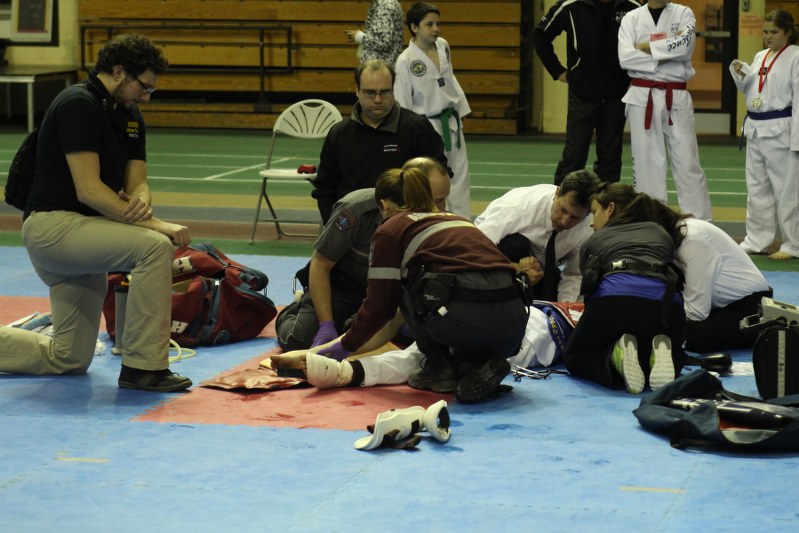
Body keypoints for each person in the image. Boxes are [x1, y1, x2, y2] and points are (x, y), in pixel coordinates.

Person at [0, 34, 192, 392]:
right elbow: (88, 190)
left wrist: (142, 200)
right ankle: (142, 367)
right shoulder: (78, 103)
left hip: (84, 235)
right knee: (154, 247)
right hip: (52, 229)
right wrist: (157, 224)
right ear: (119, 72)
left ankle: (135, 364)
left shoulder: (130, 116)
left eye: (152, 90)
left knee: (69, 358)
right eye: (143, 87)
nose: (146, 97)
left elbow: (138, 181)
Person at [299, 166, 529, 403]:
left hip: (465, 316)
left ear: (384, 206)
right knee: (449, 300)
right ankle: (472, 366)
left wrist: (344, 347)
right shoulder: (456, 219)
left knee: (410, 289)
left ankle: (439, 368)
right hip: (514, 325)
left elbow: (381, 307)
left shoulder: (391, 227)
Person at [275, 157, 451, 351]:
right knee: (299, 340)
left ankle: (351, 326)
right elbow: (320, 264)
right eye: (435, 200)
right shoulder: (355, 210)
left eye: (443, 200)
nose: (439, 209)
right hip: (342, 290)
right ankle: (296, 311)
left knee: (430, 342)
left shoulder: (435, 219)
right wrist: (326, 324)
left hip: (389, 294)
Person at [564, 183, 686, 394]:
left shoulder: (594, 240)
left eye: (594, 212)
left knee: (575, 357)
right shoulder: (661, 233)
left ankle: (614, 357)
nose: (592, 222)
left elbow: (590, 291)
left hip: (617, 302)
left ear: (610, 208)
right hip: (667, 309)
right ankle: (665, 355)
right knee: (674, 350)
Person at [311, 59, 449, 224]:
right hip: (350, 227)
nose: (378, 99)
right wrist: (337, 225)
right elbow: (325, 188)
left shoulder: (417, 129)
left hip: (404, 228)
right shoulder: (339, 134)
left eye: (385, 92)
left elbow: (439, 179)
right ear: (357, 91)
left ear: (393, 90)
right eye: (370, 92)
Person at [617, 0, 713, 222]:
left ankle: (699, 221)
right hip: (642, 96)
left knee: (687, 159)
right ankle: (652, 220)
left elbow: (685, 46)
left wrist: (646, 47)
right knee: (646, 162)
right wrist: (667, 55)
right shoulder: (631, 18)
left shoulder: (684, 13)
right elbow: (625, 57)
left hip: (675, 94)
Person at [532, 0, 640, 185]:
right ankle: (559, 204)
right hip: (583, 95)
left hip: (616, 95)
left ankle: (606, 208)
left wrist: (636, 77)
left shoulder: (632, 7)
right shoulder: (571, 5)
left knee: (611, 157)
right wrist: (557, 71)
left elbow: (645, 44)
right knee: (574, 156)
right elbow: (540, 34)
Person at [730, 10, 799, 260]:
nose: (768, 37)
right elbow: (753, 89)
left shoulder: (796, 57)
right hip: (756, 128)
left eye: (774, 32)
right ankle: (757, 239)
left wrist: (798, 139)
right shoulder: (760, 56)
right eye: (765, 32)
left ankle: (793, 243)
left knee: (786, 191)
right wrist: (741, 75)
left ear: (788, 33)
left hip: (782, 128)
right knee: (757, 188)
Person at [394, 2, 472, 218]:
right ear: (414, 27)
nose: (436, 28)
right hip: (426, 126)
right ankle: (434, 224)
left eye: (437, 23)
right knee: (432, 181)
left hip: (452, 122)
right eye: (429, 24)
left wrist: (462, 109)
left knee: (460, 177)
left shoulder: (443, 46)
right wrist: (407, 134)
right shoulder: (405, 61)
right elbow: (402, 101)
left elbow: (449, 79)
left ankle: (463, 224)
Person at [473, 169, 601, 301]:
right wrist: (514, 268)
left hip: (544, 271)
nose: (565, 221)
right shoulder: (519, 206)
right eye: (563, 210)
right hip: (496, 260)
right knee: (515, 244)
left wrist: (565, 307)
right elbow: (475, 247)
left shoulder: (589, 224)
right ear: (557, 192)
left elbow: (573, 274)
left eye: (574, 218)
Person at [345, 0, 405, 68]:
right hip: (380, 69)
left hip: (380, 70)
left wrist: (360, 37)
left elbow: (382, 41)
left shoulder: (384, 7)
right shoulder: (381, 4)